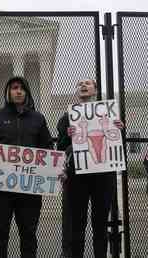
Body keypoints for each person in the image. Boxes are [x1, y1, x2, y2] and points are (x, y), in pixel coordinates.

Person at [0, 76, 53, 258]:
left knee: (29, 236)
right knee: (0, 235)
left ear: (26, 92)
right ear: (8, 93)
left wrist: (54, 169)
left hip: (30, 190)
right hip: (1, 190)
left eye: (21, 88)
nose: (18, 91)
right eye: (14, 88)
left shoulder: (38, 119)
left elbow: (47, 147)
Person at [57, 79, 124, 258]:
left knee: (100, 224)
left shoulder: (108, 114)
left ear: (95, 90)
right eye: (80, 84)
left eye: (88, 83)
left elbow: (116, 144)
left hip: (102, 176)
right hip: (77, 177)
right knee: (77, 224)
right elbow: (61, 148)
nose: (84, 85)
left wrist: (119, 130)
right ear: (76, 91)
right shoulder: (67, 117)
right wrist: (67, 135)